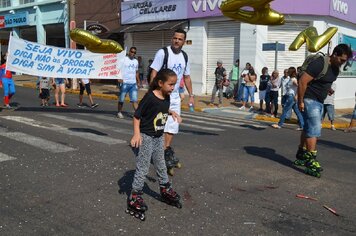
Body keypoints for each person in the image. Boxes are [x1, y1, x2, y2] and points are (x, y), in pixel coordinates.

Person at [127, 69, 182, 220]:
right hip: (146, 136)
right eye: (170, 84)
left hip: (158, 137)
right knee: (143, 166)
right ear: (160, 83)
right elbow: (137, 116)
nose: (173, 87)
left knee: (161, 164)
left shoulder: (166, 97)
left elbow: (162, 108)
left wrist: (172, 113)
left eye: (174, 84)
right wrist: (137, 134)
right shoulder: (150, 98)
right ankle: (134, 195)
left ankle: (165, 188)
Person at [295, 43, 352, 177]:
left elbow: (324, 81)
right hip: (310, 99)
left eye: (345, 61)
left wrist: (329, 89)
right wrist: (300, 101)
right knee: (314, 128)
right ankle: (311, 159)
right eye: (342, 60)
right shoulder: (320, 63)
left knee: (308, 128)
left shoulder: (336, 69)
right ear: (335, 54)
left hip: (320, 101)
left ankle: (301, 153)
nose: (343, 63)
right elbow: (303, 82)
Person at [150, 28, 194, 173]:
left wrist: (191, 95)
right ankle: (158, 153)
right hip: (162, 94)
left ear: (184, 42)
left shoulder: (185, 56)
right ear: (172, 39)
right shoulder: (163, 53)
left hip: (175, 96)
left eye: (180, 39)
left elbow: (186, 77)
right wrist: (154, 92)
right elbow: (154, 72)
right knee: (160, 123)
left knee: (173, 125)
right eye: (175, 38)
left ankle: (164, 150)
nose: (177, 41)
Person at [117, 47, 140, 119]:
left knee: (134, 100)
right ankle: (119, 112)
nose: (133, 53)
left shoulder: (136, 61)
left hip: (133, 83)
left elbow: (136, 72)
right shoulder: (123, 60)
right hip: (124, 83)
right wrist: (119, 78)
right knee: (121, 99)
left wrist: (138, 81)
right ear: (129, 52)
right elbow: (117, 69)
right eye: (132, 52)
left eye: (134, 52)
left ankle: (137, 114)